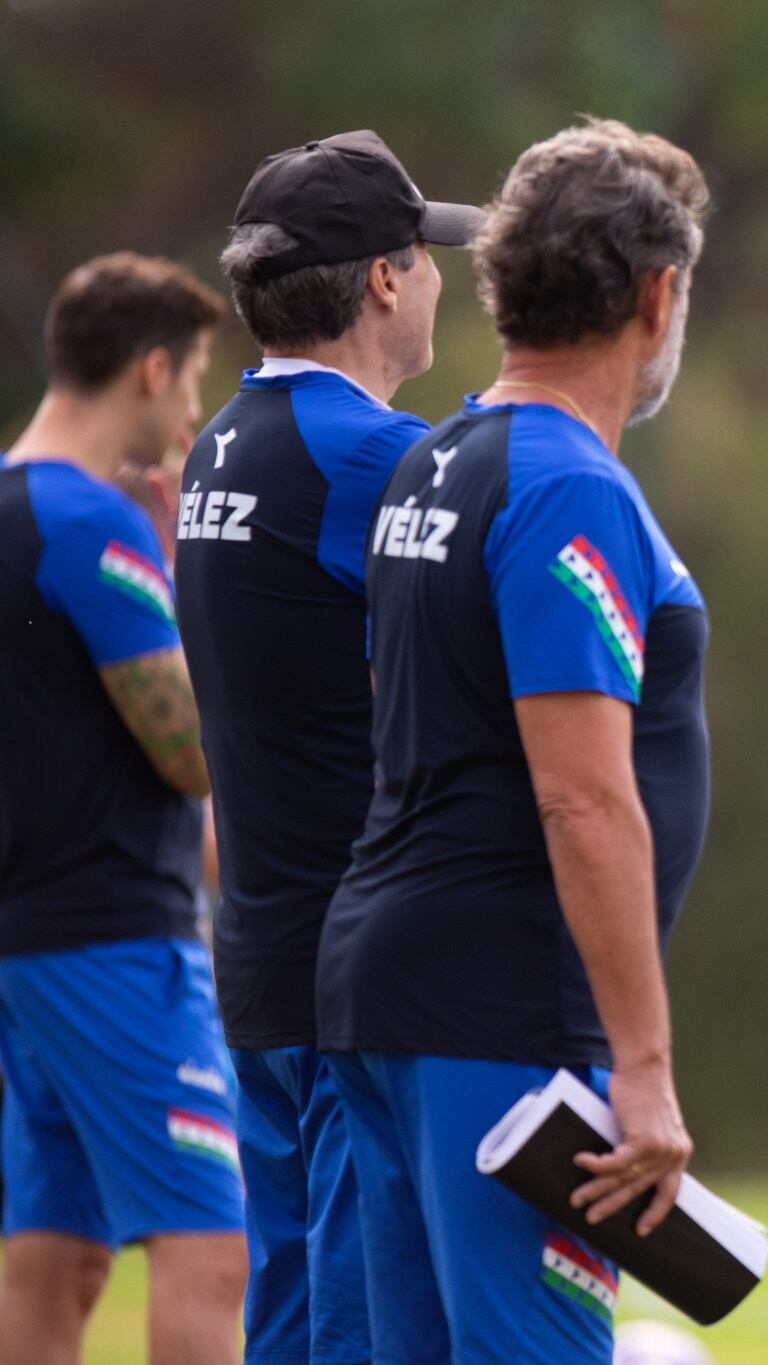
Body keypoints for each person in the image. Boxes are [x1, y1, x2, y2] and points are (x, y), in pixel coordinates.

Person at [316, 118, 712, 1363]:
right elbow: (582, 799)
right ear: (658, 295)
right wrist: (641, 1071)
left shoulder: (437, 459)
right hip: (501, 1018)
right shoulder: (566, 484)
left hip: (390, 990)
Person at [176, 130, 482, 1365]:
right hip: (354, 974)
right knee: (364, 1332)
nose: (442, 279)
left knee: (296, 1326)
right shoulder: (370, 454)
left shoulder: (219, 442)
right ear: (383, 281)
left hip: (261, 951)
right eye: (429, 254)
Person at [0, 253, 245, 1364]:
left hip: (23, 951)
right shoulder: (93, 527)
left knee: (55, 1259)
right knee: (208, 1250)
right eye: (194, 380)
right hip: (114, 944)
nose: (195, 407)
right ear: (151, 371)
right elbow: (194, 752)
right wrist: (187, 567)